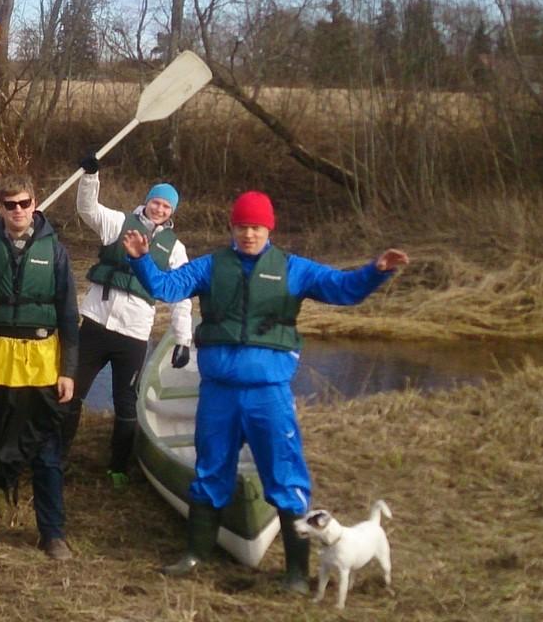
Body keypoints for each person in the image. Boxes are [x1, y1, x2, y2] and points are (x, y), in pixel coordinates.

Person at [126, 190, 409, 594]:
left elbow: (342, 288)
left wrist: (376, 271)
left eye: (256, 227)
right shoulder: (210, 267)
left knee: (286, 476)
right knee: (210, 470)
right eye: (241, 227)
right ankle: (195, 554)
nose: (248, 234)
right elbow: (169, 287)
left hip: (268, 394)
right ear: (232, 228)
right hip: (219, 392)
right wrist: (140, 259)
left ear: (268, 229)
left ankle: (295, 572)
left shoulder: (293, 269)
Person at [0, 174, 79, 560]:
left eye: (24, 203)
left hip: (40, 366)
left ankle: (52, 534)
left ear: (35, 203)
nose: (18, 210)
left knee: (45, 451)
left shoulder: (55, 252)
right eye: (10, 205)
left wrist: (68, 369)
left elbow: (69, 315)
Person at [60, 157, 194, 486]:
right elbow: (87, 208)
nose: (159, 209)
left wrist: (182, 340)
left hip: (133, 335)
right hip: (94, 324)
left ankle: (118, 466)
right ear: (147, 201)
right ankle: (56, 455)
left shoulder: (175, 249)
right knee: (70, 392)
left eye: (166, 206)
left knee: (125, 402)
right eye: (156, 202)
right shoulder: (117, 223)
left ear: (172, 212)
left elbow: (181, 295)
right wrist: (91, 176)